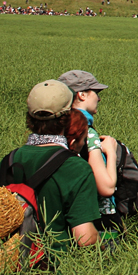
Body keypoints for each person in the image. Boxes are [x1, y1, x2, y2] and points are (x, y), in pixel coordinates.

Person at [0, 80, 100, 251]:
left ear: (30, 117)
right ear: (67, 117)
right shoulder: (76, 167)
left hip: (8, 263)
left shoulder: (9, 161)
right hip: (54, 263)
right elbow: (85, 238)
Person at [57, 70, 120, 234]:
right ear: (82, 95)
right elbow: (106, 188)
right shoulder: (87, 132)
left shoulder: (56, 128)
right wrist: (111, 152)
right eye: (96, 92)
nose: (98, 98)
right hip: (95, 219)